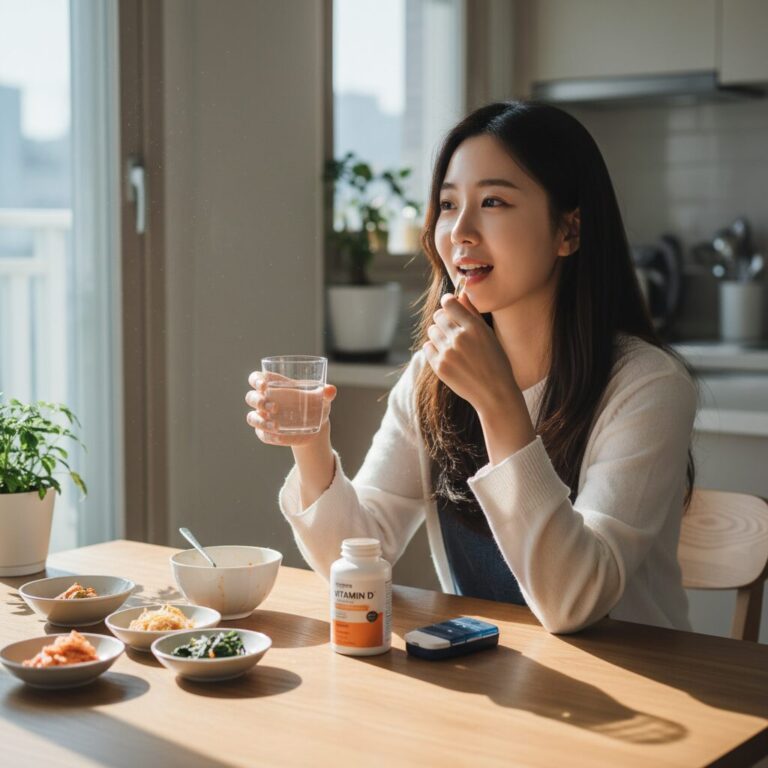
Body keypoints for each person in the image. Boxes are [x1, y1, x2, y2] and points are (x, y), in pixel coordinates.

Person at [245, 100, 697, 634]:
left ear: (568, 231)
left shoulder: (647, 385)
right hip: (492, 679)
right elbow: (359, 555)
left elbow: (575, 601)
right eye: (447, 204)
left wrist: (498, 400)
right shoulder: (430, 377)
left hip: (639, 686)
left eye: (494, 202)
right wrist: (311, 443)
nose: (459, 230)